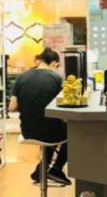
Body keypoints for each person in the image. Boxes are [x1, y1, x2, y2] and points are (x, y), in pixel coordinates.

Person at [8, 47, 71, 186]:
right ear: (54, 63)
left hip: (27, 131)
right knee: (74, 132)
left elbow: (12, 107)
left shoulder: (22, 77)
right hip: (51, 132)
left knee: (48, 128)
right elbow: (64, 105)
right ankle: (56, 169)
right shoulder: (57, 78)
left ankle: (40, 170)